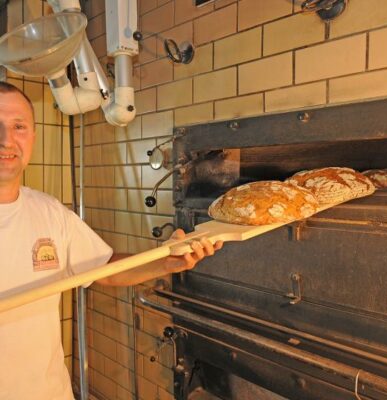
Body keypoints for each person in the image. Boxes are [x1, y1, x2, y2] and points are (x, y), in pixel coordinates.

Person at [0, 82, 223, 400]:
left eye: (18, 126)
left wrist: (165, 261)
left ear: (32, 137)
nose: (6, 139)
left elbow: (103, 268)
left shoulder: (49, 211)